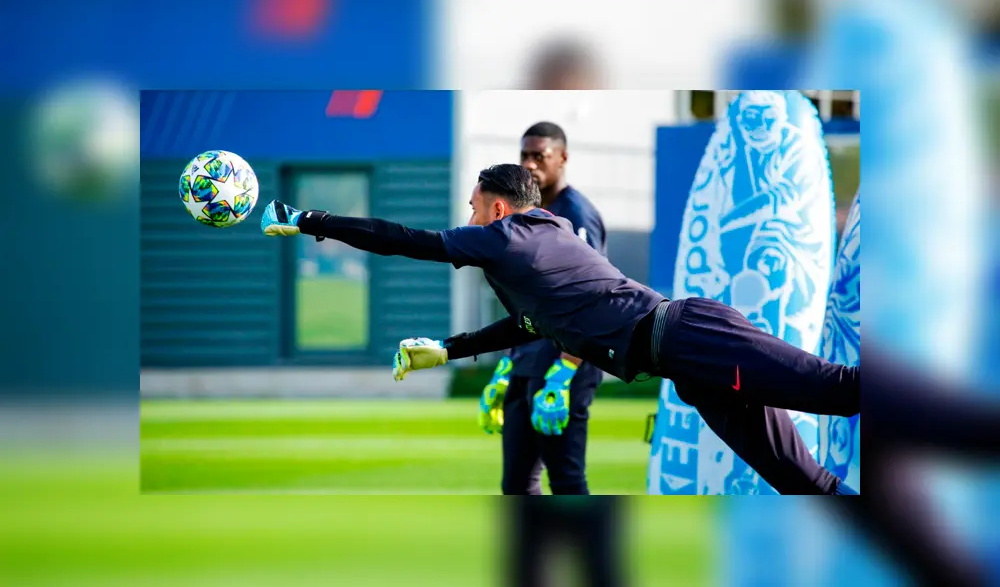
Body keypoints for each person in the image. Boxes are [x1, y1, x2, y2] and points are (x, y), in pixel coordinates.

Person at [260, 163, 860, 495]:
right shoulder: (536, 247)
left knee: (836, 390)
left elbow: (404, 242)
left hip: (695, 336)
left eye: (472, 206)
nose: (466, 218)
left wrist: (310, 219)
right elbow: (526, 323)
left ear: (497, 209)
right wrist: (447, 349)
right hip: (687, 361)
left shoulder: (511, 237)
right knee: (798, 480)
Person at [478, 122, 607, 495]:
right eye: (525, 156)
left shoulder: (576, 215)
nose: (531, 164)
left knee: (565, 478)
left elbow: (591, 300)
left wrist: (565, 371)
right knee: (516, 483)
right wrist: (506, 365)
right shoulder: (525, 214)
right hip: (527, 364)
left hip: (563, 368)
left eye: (540, 156)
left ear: (562, 158)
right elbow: (526, 302)